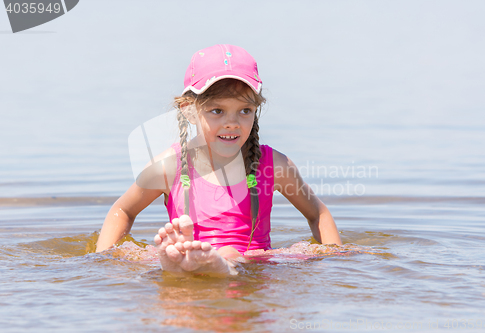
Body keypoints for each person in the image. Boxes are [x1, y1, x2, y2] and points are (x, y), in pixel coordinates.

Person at [96, 44, 342, 277]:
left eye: (244, 111)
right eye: (217, 111)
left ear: (256, 110)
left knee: (230, 253)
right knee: (153, 253)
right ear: (189, 110)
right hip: (191, 257)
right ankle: (184, 259)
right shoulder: (169, 166)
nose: (232, 123)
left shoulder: (273, 166)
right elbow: (123, 210)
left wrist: (336, 259)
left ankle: (217, 263)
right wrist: (103, 260)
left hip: (248, 265)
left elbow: (318, 214)